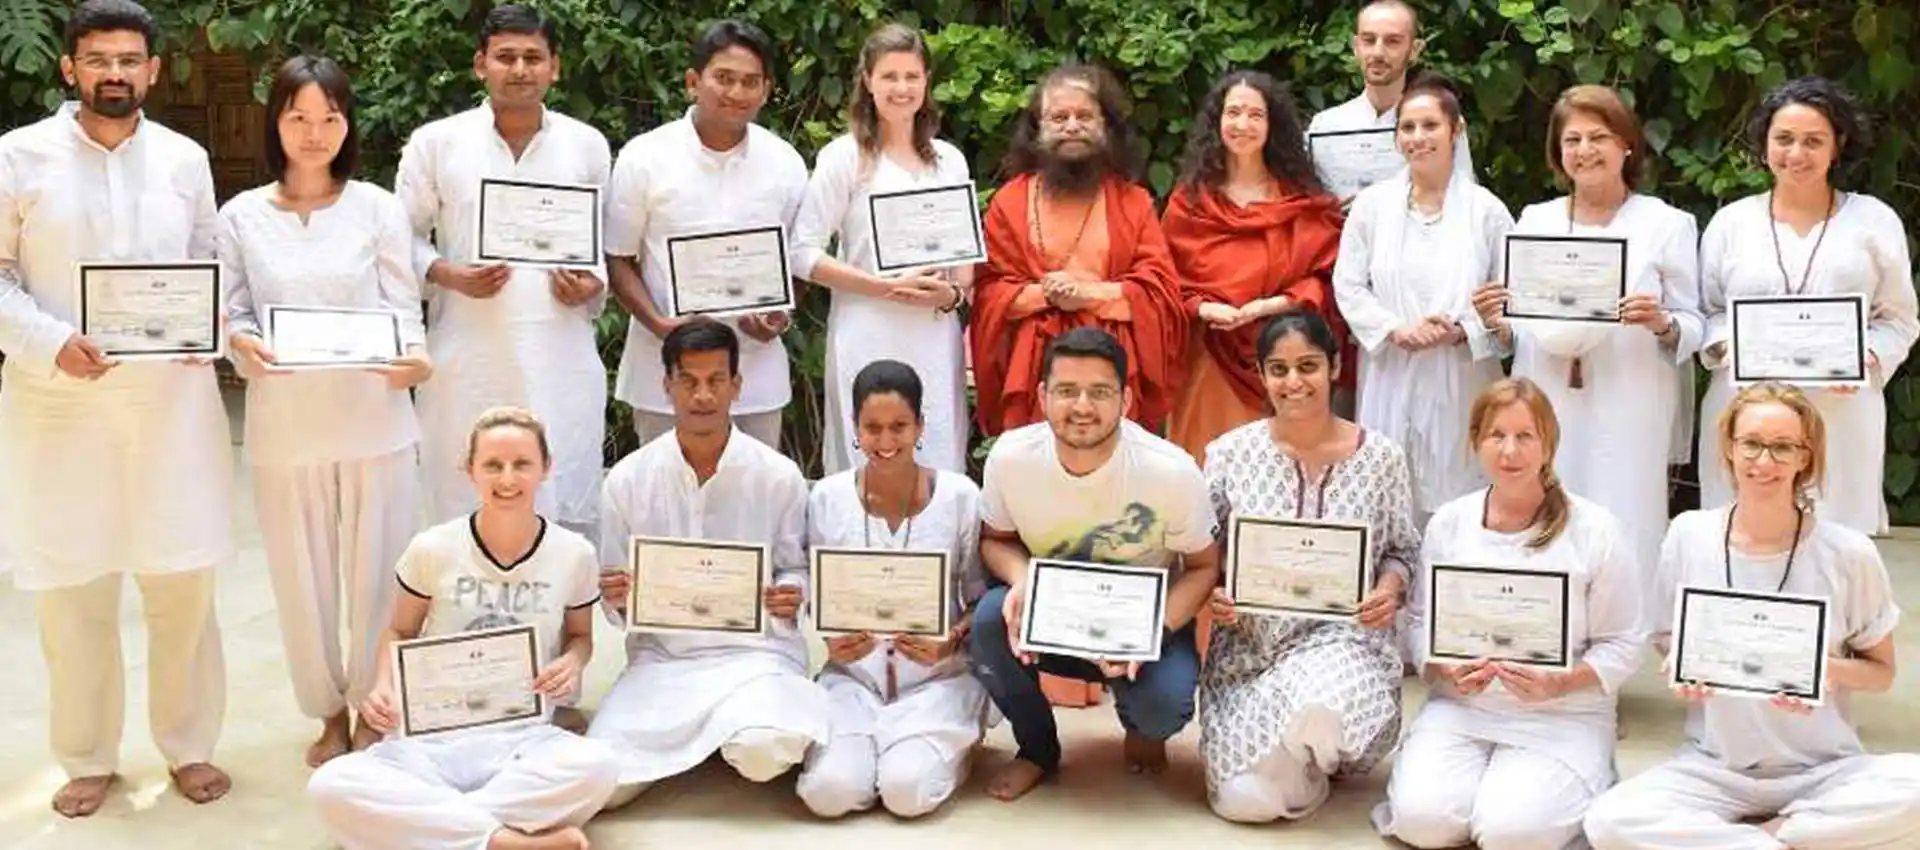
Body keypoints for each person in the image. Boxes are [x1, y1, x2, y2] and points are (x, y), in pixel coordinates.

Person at [0, 0, 234, 816]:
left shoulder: (184, 159)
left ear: (153, 71)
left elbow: (207, 265)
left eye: (129, 60)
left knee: (183, 584)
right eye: (97, 59)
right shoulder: (17, 157)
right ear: (70, 67)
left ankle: (189, 746)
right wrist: (48, 342)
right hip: (61, 404)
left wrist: (208, 327)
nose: (114, 74)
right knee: (74, 590)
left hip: (170, 407)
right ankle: (87, 757)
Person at [1584, 383, 1920, 850]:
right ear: (1729, 448)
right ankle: (1794, 839)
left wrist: (1822, 669)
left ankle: (1764, 837)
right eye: (1752, 444)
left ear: (1805, 456)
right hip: (1714, 767)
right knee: (1608, 822)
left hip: (1825, 769)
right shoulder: (1689, 535)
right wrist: (1686, 664)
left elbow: (1881, 673)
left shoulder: (1848, 552)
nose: (1765, 461)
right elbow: (1666, 636)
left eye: (1783, 447)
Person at [218, 55, 431, 765]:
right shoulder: (241, 216)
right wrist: (241, 342)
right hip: (286, 426)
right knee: (301, 582)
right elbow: (232, 311)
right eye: (298, 118)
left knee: (381, 577)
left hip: (374, 419)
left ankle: (375, 707)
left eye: (329, 118)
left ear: (348, 124)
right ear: (274, 123)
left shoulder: (377, 208)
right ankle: (328, 713)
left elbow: (403, 305)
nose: (314, 133)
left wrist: (416, 357)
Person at [308, 407, 619, 850]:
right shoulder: (432, 548)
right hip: (429, 738)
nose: (507, 478)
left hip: (521, 736)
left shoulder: (574, 554)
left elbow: (580, 637)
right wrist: (383, 686)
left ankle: (432, 828)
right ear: (469, 469)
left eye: (522, 464)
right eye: (492, 464)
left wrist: (572, 662)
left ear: (545, 468)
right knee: (331, 785)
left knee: (600, 765)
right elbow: (399, 632)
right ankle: (505, 841)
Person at [1373, 378, 1644, 850]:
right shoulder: (1449, 523)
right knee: (1423, 823)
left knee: (1510, 833)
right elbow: (1417, 620)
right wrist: (1441, 667)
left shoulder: (1596, 530)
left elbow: (1623, 642)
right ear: (1476, 441)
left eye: (1525, 436)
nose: (1510, 451)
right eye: (1496, 435)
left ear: (1549, 444)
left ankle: (1578, 780)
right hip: (1463, 707)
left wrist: (1561, 682)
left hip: (1563, 714)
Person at [967, 326, 1221, 801]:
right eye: (1066, 390)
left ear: (1126, 400)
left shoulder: (1170, 471)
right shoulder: (1011, 457)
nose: (1082, 406)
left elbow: (1205, 566)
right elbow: (995, 540)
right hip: (1051, 620)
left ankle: (1141, 724)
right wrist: (1022, 580)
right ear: (1042, 397)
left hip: (1141, 625)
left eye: (1100, 392)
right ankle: (1036, 748)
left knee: (1162, 709)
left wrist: (1155, 632)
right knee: (987, 622)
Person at [588, 320, 829, 807]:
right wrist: (617, 597)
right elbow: (616, 590)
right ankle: (711, 736)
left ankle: (735, 731)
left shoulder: (778, 475)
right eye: (689, 381)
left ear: (736, 385)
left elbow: (795, 568)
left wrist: (792, 593)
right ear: (667, 385)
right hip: (664, 660)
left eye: (716, 380)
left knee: (763, 752)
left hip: (756, 657)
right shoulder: (628, 480)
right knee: (601, 782)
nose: (703, 395)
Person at [396, 4, 610, 546]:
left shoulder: (586, 145)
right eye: (505, 57)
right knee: (461, 512)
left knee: (559, 514)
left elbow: (597, 247)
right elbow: (399, 239)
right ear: (480, 64)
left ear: (555, 67)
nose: (519, 69)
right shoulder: (436, 142)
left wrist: (590, 285)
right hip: (468, 355)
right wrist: (447, 273)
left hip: (559, 354)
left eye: (533, 58)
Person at [1471, 84, 1703, 574]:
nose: (1585, 150)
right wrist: (1497, 322)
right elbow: (1518, 330)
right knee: (1545, 507)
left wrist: (1661, 322)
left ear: (1627, 144)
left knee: (1627, 516)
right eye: (1572, 140)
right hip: (1547, 391)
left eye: (1598, 137)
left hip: (1630, 395)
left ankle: (1628, 617)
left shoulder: (1666, 224)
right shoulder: (1535, 221)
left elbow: (1693, 324)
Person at [1197, 312, 1418, 823]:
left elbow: (1401, 550)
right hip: (1250, 654)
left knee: (1320, 706)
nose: (1293, 382)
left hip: (1343, 641)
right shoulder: (1230, 454)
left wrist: (1389, 589)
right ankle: (1298, 767)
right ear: (1261, 374)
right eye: (1278, 369)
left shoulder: (1381, 458)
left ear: (1335, 367)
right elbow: (1204, 555)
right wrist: (1218, 592)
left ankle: (1310, 751)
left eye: (1308, 366)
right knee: (1244, 803)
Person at [1694, 76, 1916, 536]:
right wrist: (1727, 347)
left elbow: (1898, 319)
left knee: (1835, 550)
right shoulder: (1731, 223)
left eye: (1813, 141)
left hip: (1841, 415)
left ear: (1838, 145)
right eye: (1784, 139)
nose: (1796, 154)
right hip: (1745, 413)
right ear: (1764, 144)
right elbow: (1707, 314)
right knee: (1743, 544)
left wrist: (1867, 357)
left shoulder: (1874, 221)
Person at [794, 359, 990, 819]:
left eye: (899, 426)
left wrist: (952, 640)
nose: (885, 441)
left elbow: (980, 595)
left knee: (906, 792)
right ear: (855, 427)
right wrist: (832, 638)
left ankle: (956, 746)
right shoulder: (827, 498)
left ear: (920, 425)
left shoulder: (959, 496)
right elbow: (817, 589)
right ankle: (863, 759)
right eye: (873, 427)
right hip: (854, 681)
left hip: (936, 681)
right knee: (827, 794)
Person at [606, 19, 805, 450]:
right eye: (724, 78)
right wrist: (660, 325)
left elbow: (800, 259)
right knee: (662, 488)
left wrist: (780, 316)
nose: (736, 92)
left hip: (755, 374)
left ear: (766, 90)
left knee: (756, 488)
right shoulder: (645, 157)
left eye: (750, 82)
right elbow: (617, 257)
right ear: (693, 82)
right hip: (664, 372)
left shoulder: (785, 163)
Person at [968, 64, 1186, 438]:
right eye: (1059, 117)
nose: (1072, 126)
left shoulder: (1133, 203)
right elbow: (989, 295)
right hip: (1035, 374)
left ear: (1105, 127)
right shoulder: (1009, 202)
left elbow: (1159, 296)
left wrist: (1088, 295)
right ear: (1037, 129)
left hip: (1113, 368)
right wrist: (1047, 295)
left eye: (1084, 116)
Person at [1331, 72, 1510, 528]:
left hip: (1462, 375)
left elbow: (1510, 299)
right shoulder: (1372, 207)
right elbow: (1348, 285)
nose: (1418, 137)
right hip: (1390, 370)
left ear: (1456, 130)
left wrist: (1462, 330)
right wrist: (1395, 329)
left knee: (1459, 499)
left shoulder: (1487, 211)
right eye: (1407, 127)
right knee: (1387, 495)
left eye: (1430, 125)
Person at [792, 24, 971, 476]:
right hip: (867, 327)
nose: (901, 88)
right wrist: (883, 286)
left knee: (936, 453)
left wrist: (950, 296)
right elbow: (803, 253)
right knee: (866, 458)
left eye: (912, 76)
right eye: (889, 76)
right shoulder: (844, 157)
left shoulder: (949, 160)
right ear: (868, 81)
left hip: (933, 333)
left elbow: (964, 266)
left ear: (926, 81)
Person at [1162, 69, 1346, 464]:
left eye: (1255, 115)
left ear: (1271, 124)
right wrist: (1203, 308)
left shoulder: (1302, 201)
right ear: (1217, 122)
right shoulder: (1189, 203)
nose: (1242, 124)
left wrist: (1271, 306)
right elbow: (1164, 280)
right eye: (1233, 113)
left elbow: (1325, 278)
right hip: (1209, 356)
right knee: (1205, 468)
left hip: (1285, 358)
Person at [1305, 0, 1472, 204]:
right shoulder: (1324, 126)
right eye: (1369, 40)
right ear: (1356, 47)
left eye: (1392, 41)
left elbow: (1465, 200)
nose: (1378, 53)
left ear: (1414, 49)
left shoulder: (1438, 123)